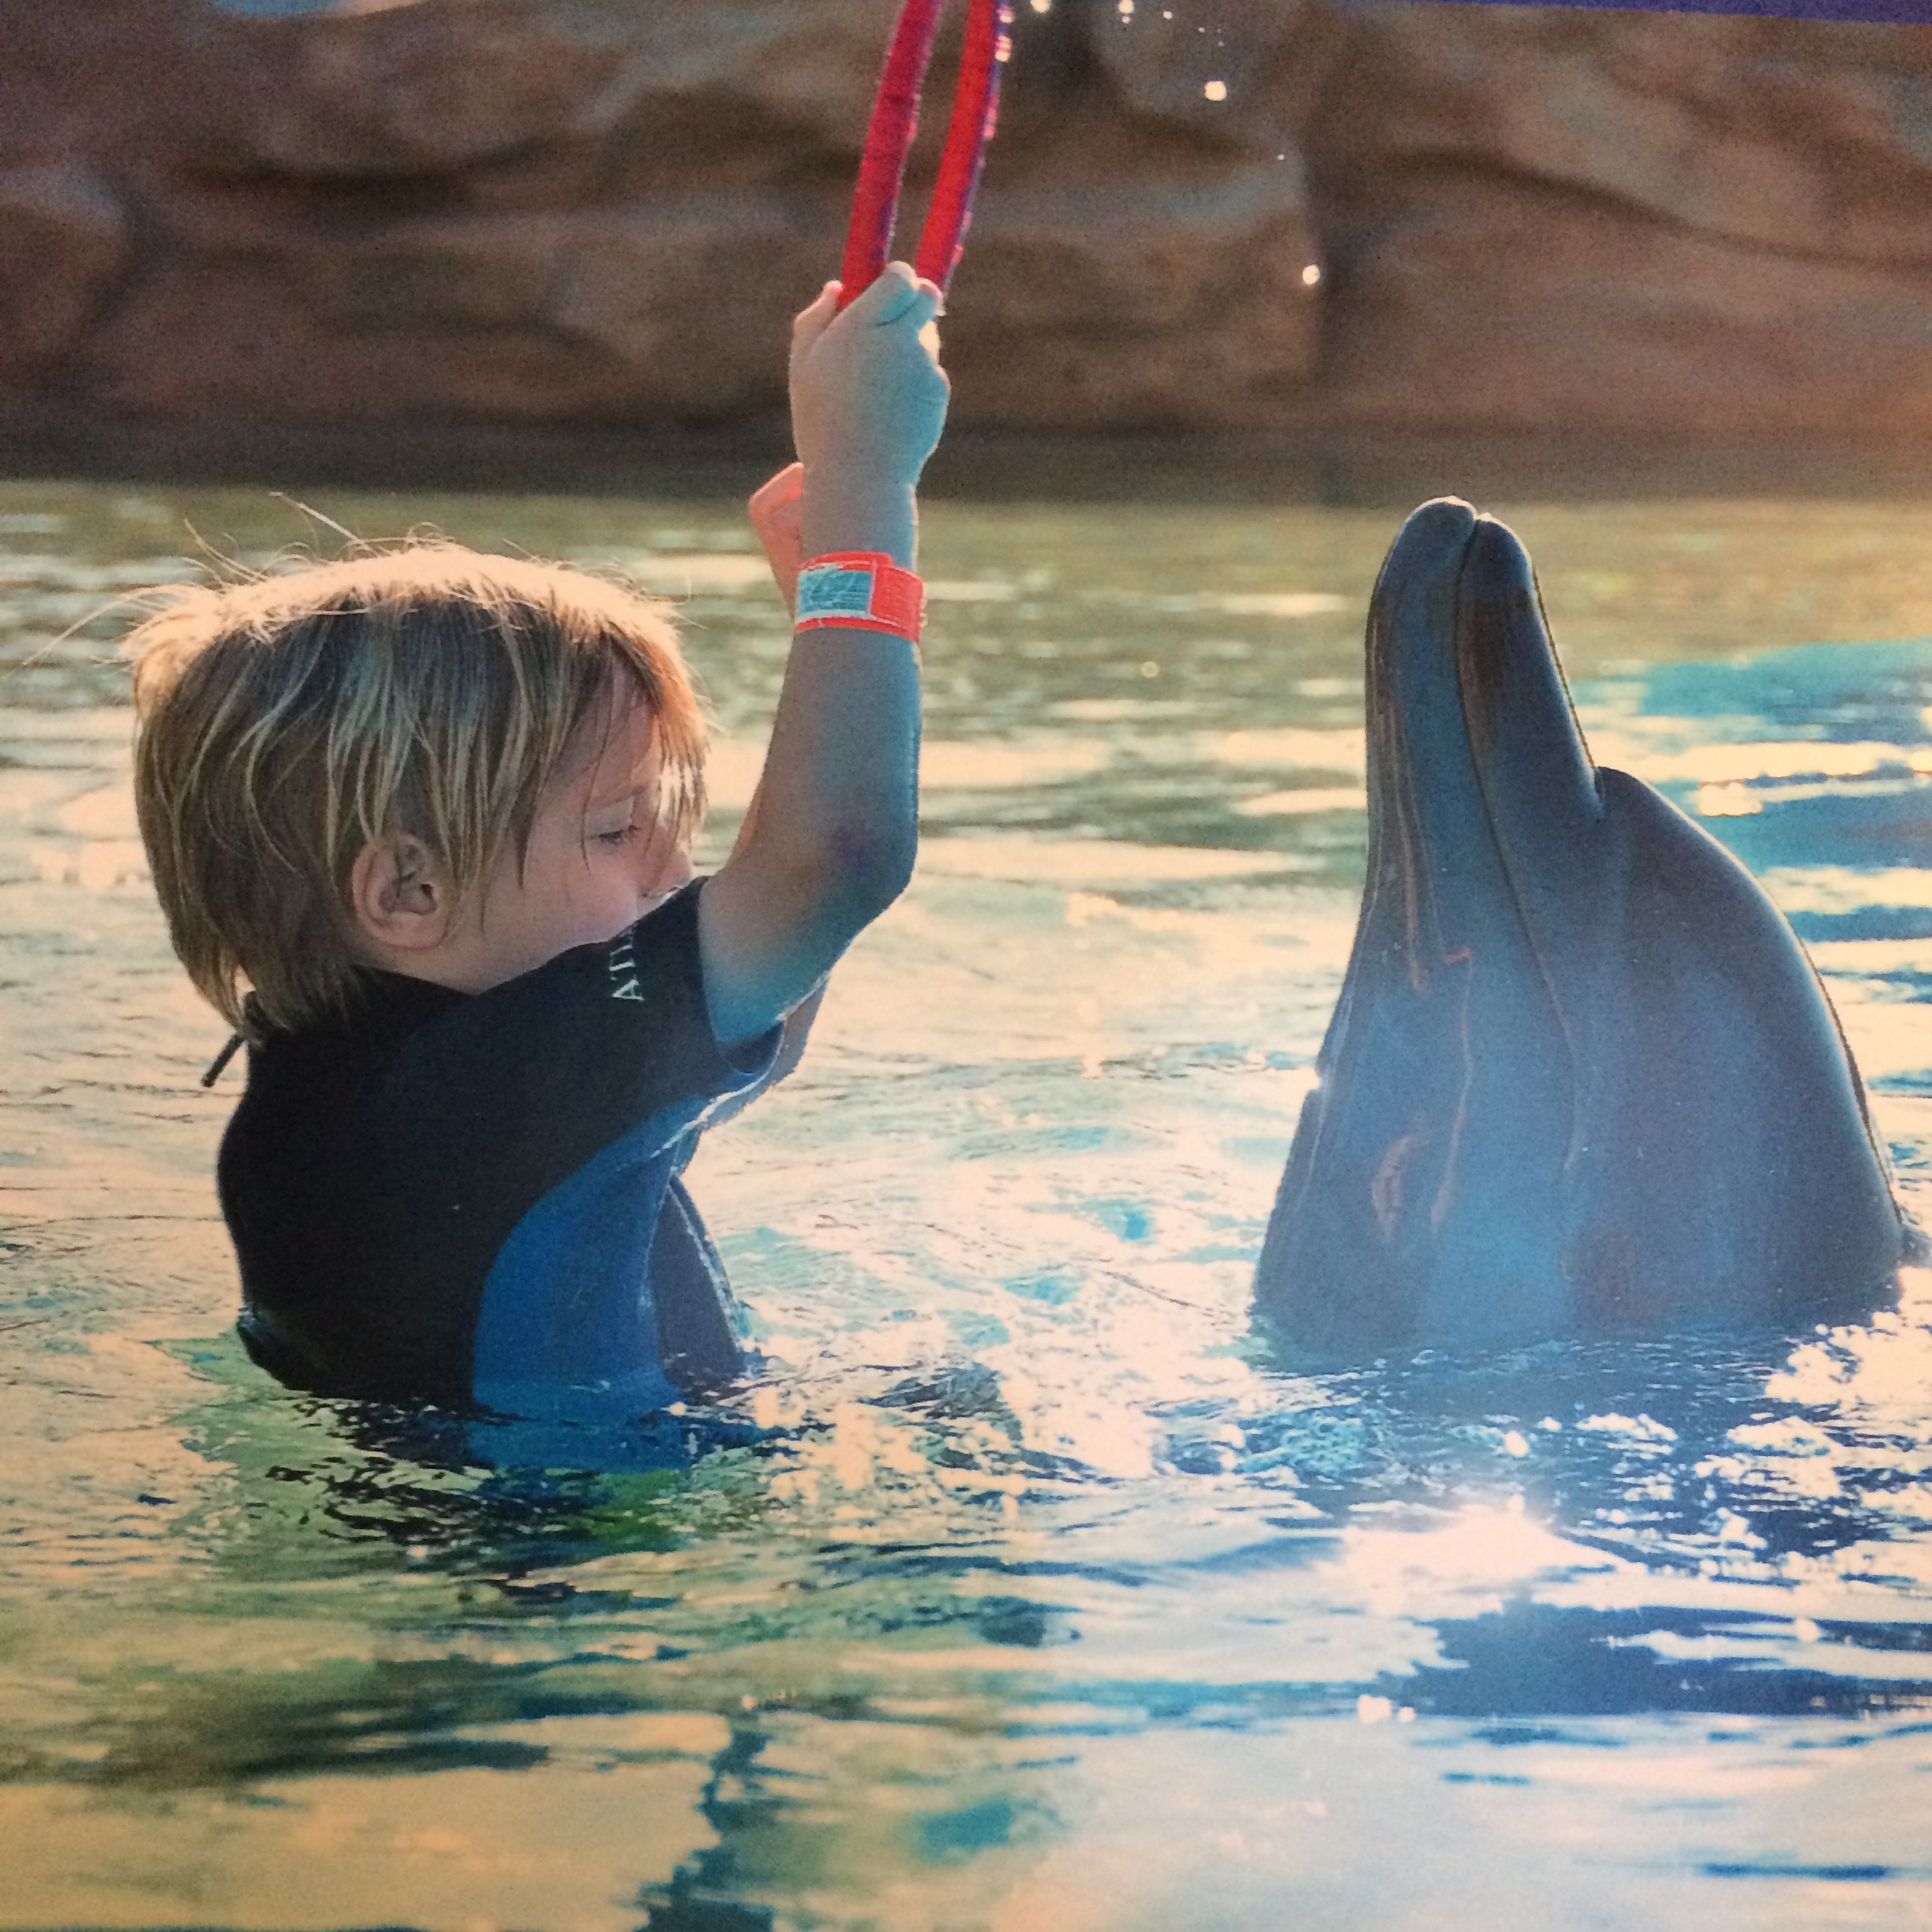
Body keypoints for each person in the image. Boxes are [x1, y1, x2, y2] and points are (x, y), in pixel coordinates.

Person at [126, 264, 949, 1423]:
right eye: (615, 828)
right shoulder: (481, 1093)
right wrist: (868, 497)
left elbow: (796, 937)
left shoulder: (353, 1080)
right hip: (610, 1579)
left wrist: (832, 596)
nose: (676, 869)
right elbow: (839, 860)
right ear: (407, 888)